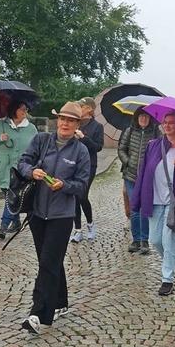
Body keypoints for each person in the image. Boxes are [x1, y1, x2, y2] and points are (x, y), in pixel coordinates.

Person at [17, 102, 90, 334]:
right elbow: (23, 162)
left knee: (48, 263)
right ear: (57, 120)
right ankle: (61, 301)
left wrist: (65, 185)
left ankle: (39, 315)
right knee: (49, 261)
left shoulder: (81, 151)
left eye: (71, 120)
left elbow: (82, 185)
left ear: (78, 124)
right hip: (38, 213)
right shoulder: (42, 141)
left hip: (62, 215)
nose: (65, 123)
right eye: (62, 119)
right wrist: (31, 172)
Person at [131, 110, 175, 296]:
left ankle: (167, 279)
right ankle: (169, 263)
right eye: (165, 122)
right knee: (155, 240)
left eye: (171, 123)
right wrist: (137, 198)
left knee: (168, 239)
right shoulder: (154, 145)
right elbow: (144, 172)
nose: (167, 125)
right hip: (154, 200)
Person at [0, 100, 37, 239]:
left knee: (13, 196)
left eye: (26, 109)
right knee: (11, 197)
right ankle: (16, 222)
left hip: (20, 171)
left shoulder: (31, 128)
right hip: (3, 168)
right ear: (14, 110)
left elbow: (37, 147)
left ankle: (3, 226)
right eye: (22, 109)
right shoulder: (0, 125)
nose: (25, 112)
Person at [118, 108, 161, 254]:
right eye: (141, 116)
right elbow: (121, 149)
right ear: (136, 118)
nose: (143, 119)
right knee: (134, 208)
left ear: (150, 119)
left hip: (147, 178)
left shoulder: (155, 133)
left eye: (146, 116)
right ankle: (136, 240)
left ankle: (144, 241)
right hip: (130, 176)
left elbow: (161, 151)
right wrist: (128, 161)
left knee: (144, 209)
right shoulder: (129, 131)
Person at [70, 97, 104, 243]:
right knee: (74, 197)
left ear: (89, 109)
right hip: (73, 164)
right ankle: (77, 230)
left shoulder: (97, 126)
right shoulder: (75, 123)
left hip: (89, 165)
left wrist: (83, 138)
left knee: (82, 196)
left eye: (81, 106)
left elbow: (98, 147)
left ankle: (90, 224)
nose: (79, 108)